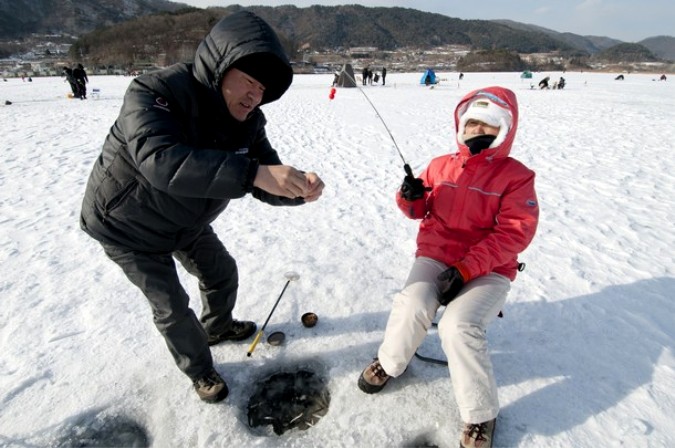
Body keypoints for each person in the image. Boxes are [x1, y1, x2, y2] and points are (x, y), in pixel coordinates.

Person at [79, 11, 324, 404]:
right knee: (173, 307)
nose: (254, 96)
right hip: (128, 227)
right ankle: (200, 370)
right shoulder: (153, 91)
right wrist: (253, 174)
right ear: (220, 65)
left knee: (221, 272)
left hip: (186, 219)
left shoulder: (248, 121)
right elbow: (162, 162)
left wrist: (295, 190)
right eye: (248, 81)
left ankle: (219, 327)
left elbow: (264, 174)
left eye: (262, 90)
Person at [357, 86, 539, 448]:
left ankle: (480, 413)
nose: (476, 131)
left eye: (487, 125)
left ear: (503, 129)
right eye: (471, 124)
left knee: (458, 326)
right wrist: (409, 197)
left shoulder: (517, 177)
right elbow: (419, 211)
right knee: (412, 302)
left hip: (489, 269)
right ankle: (390, 362)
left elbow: (515, 234)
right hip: (436, 255)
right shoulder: (440, 165)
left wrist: (467, 269)